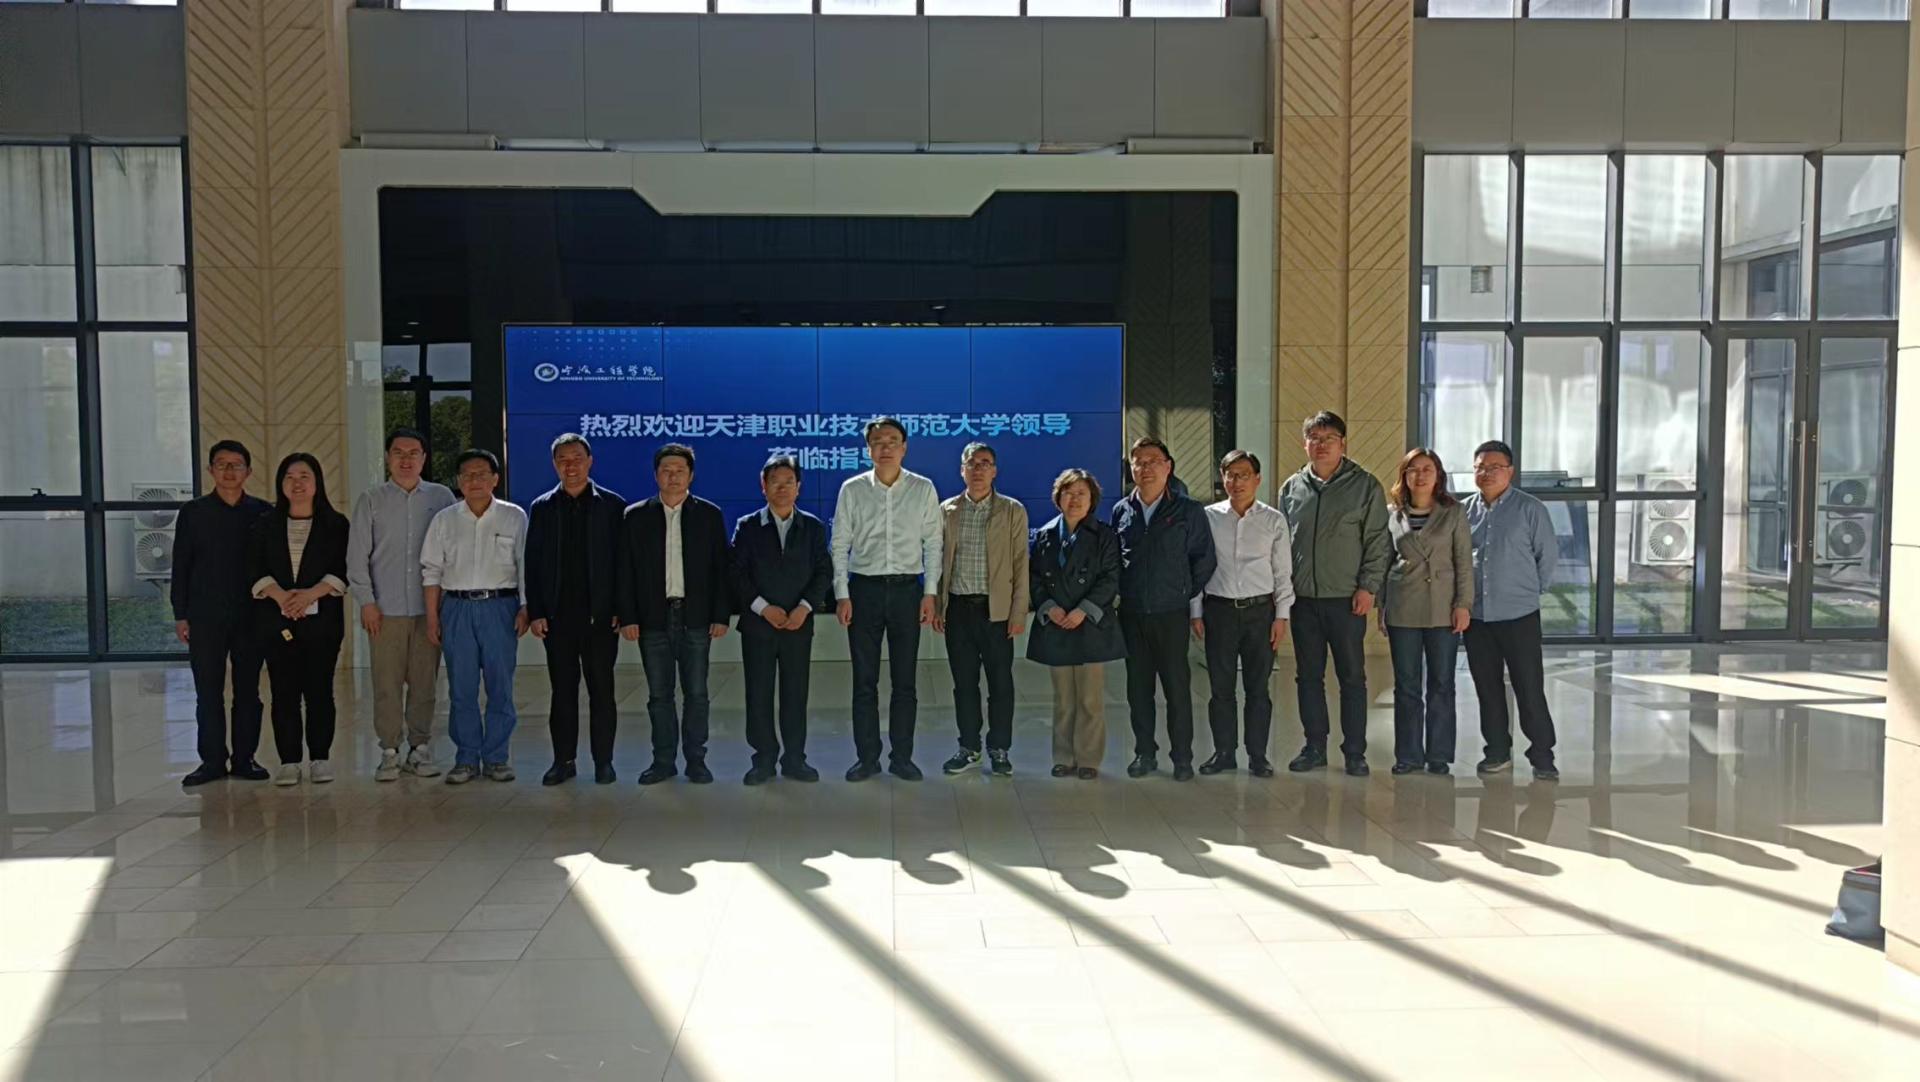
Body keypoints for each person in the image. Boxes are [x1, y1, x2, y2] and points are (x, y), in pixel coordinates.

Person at [1277, 411, 1390, 777]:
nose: (1321, 445)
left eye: (1329, 438)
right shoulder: (1291, 488)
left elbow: (1378, 542)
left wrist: (1368, 587)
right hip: (1303, 601)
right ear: (1304, 443)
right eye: (1314, 438)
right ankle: (1314, 747)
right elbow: (1281, 546)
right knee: (1308, 677)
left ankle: (1355, 751)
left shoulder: (1365, 486)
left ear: (1343, 443)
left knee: (1352, 677)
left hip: (1347, 600)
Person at [832, 417, 944, 782]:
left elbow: (933, 543)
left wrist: (929, 593)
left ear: (904, 447)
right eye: (877, 441)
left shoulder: (923, 488)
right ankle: (866, 758)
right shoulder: (852, 489)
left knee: (905, 682)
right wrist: (842, 594)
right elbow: (839, 543)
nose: (885, 447)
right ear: (868, 449)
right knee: (864, 682)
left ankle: (902, 757)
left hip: (907, 592)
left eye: (892, 440)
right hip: (863, 591)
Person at [617, 443, 730, 786]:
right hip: (652, 618)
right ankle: (663, 761)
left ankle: (697, 761)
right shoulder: (635, 516)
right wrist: (628, 616)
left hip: (695, 617)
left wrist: (721, 615)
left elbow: (721, 570)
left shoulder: (709, 515)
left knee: (696, 694)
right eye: (666, 470)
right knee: (659, 696)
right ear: (656, 475)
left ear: (691, 475)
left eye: (680, 470)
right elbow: (625, 571)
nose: (673, 476)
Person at [347, 427, 456, 782]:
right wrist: (367, 602)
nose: (406, 460)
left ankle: (419, 748)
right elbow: (357, 558)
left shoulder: (441, 497)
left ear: (424, 458)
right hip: (385, 610)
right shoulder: (371, 500)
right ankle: (389, 751)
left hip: (429, 611)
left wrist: (443, 607)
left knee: (425, 683)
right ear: (387, 458)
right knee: (386, 685)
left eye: (413, 453)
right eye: (399, 453)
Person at [421, 449, 529, 785]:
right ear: (458, 481)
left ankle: (496, 757)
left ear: (495, 479)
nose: (474, 480)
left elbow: (525, 565)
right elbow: (431, 571)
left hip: (500, 607)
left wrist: (526, 607)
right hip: (457, 608)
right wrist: (432, 617)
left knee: (500, 686)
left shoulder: (514, 517)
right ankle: (466, 757)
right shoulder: (444, 520)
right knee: (461, 687)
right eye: (467, 474)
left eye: (482, 474)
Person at [1111, 436, 1216, 781]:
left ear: (1168, 467)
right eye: (1138, 462)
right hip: (1133, 614)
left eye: (1153, 461)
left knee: (1176, 689)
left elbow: (1204, 559)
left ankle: (1182, 757)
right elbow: (1116, 561)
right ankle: (1145, 753)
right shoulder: (1122, 510)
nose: (1146, 468)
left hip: (1171, 613)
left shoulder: (1188, 510)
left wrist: (1183, 592)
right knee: (1138, 690)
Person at [524, 433, 626, 786]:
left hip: (601, 618)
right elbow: (533, 563)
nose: (571, 466)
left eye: (577, 458)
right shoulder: (542, 507)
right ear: (554, 464)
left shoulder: (612, 506)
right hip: (557, 619)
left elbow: (623, 564)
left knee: (602, 692)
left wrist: (621, 609)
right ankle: (563, 761)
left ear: (590, 461)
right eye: (563, 460)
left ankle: (604, 762)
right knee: (563, 692)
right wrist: (537, 611)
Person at [173, 440, 273, 788]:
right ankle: (212, 761)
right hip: (205, 616)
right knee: (208, 691)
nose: (229, 471)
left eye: (236, 465)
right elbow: (181, 565)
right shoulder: (193, 513)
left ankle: (245, 758)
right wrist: (180, 614)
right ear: (210, 470)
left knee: (248, 691)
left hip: (251, 616)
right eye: (221, 464)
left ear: (249, 471)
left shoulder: (263, 512)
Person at [1461, 439, 1561, 781]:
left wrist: (1530, 592)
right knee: (1487, 688)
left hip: (1519, 615)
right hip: (1477, 617)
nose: (1487, 473)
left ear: (1511, 471)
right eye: (1480, 467)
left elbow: (1547, 557)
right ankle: (1497, 751)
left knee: (1529, 686)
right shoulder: (1464, 511)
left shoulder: (1530, 509)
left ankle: (1542, 755)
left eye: (1495, 467)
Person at [249, 453, 351, 786]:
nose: (297, 483)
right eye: (290, 477)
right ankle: (289, 761)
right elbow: (254, 568)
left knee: (320, 691)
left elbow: (342, 569)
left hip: (323, 624)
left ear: (317, 482)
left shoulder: (336, 524)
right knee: (284, 692)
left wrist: (309, 595)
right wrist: (283, 597)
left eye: (304, 476)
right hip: (276, 621)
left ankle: (320, 758)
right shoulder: (265, 524)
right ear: (281, 484)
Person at [731, 454, 832, 785]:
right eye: (775, 481)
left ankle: (794, 759)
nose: (783, 488)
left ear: (799, 487)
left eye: (789, 482)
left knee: (795, 695)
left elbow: (823, 572)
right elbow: (737, 573)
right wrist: (763, 607)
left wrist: (804, 607)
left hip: (797, 625)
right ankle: (763, 759)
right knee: (758, 694)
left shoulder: (813, 527)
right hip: (759, 625)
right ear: (764, 486)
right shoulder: (748, 526)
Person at [1192, 450, 1293, 779]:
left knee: (1258, 689)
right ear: (1222, 479)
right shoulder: (1207, 518)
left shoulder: (1273, 520)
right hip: (1218, 611)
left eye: (1244, 475)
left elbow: (1282, 572)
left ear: (1257, 479)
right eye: (1230, 475)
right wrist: (1195, 611)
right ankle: (1223, 753)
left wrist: (1281, 616)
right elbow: (1197, 567)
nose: (1237, 482)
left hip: (1260, 613)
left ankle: (1258, 755)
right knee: (1220, 689)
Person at [934, 442, 1030, 778]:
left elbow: (1021, 564)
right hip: (958, 609)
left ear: (995, 471)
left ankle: (999, 748)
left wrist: (1018, 612)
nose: (978, 469)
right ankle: (969, 747)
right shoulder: (947, 510)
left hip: (997, 612)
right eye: (972, 464)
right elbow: (937, 562)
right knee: (964, 684)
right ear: (962, 470)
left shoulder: (1012, 510)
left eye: (985, 463)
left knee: (1000, 684)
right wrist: (937, 605)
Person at [1379, 448, 1473, 776]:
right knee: (1406, 685)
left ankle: (1439, 754)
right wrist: (1382, 607)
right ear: (1404, 476)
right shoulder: (1392, 514)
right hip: (1403, 606)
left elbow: (1464, 563)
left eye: (1427, 469)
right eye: (1413, 469)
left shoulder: (1454, 512)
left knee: (1442, 683)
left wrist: (1463, 605)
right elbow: (1383, 562)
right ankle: (1408, 755)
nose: (1420, 475)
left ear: (1438, 476)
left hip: (1443, 607)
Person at [1028, 468, 1125, 780]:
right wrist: (1049, 607)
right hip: (1057, 624)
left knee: (1089, 700)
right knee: (1063, 700)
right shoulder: (1044, 535)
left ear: (1092, 499)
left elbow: (1110, 578)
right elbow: (1034, 578)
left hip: (1089, 625)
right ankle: (1063, 757)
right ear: (1058, 498)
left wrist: (1083, 610)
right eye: (1068, 493)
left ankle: (1088, 759)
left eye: (1082, 493)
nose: (1075, 499)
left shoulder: (1105, 535)